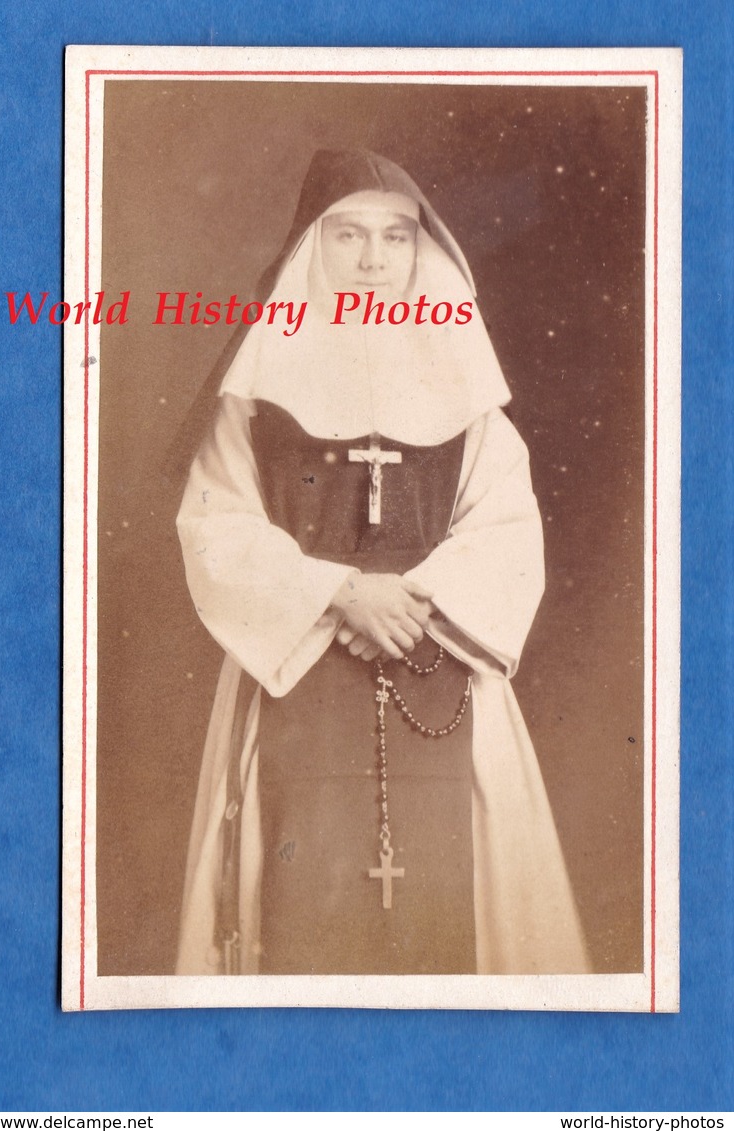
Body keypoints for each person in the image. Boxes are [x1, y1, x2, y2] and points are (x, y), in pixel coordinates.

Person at [175, 148, 590, 976]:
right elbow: (216, 523)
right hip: (294, 659)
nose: (373, 260)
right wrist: (340, 593)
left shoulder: (465, 385)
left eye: (395, 238)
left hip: (442, 654)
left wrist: (414, 600)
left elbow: (508, 525)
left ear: (418, 250)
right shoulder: (254, 391)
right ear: (310, 250)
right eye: (348, 236)